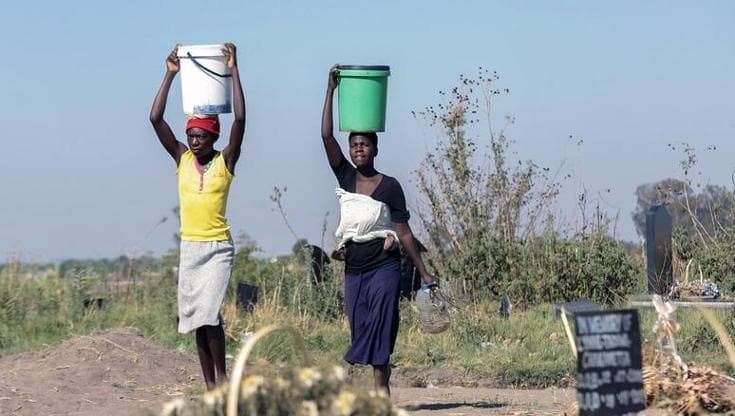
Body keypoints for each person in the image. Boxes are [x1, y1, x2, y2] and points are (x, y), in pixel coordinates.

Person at [320, 64, 437, 394]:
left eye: (364, 145)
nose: (359, 149)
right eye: (354, 145)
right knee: (360, 328)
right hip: (354, 269)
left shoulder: (389, 186)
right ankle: (375, 386)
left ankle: (380, 390)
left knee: (382, 325)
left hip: (384, 268)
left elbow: (404, 232)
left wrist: (424, 274)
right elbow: (326, 136)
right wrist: (330, 90)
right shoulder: (345, 177)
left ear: (375, 149)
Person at [149, 43, 245, 390]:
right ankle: (210, 387)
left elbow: (241, 120)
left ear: (212, 136)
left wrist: (234, 70)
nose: (193, 141)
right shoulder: (181, 159)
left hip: (218, 248)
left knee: (209, 314)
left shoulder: (225, 162)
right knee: (196, 321)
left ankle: (222, 378)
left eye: (200, 135)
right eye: (190, 135)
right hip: (190, 248)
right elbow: (155, 119)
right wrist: (170, 73)